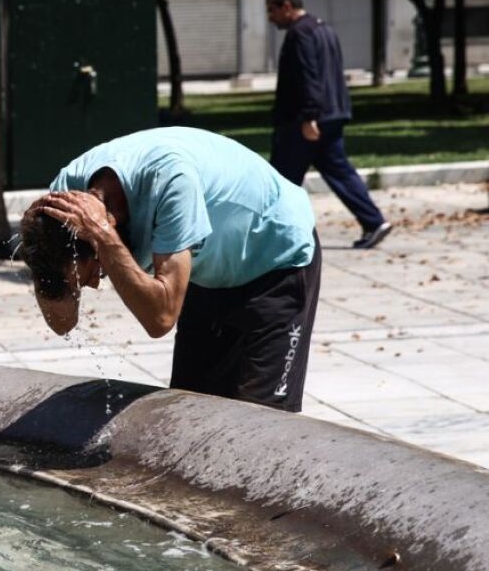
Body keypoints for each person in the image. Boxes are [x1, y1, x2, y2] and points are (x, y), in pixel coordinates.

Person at [19, 127, 321, 412]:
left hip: (277, 260)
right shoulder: (63, 201)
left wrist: (104, 237)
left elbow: (160, 318)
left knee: (260, 424)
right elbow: (63, 324)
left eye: (94, 272)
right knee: (191, 414)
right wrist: (42, 265)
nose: (97, 285)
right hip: (209, 273)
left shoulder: (170, 181)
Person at [266, 0, 392, 249]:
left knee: (280, 180)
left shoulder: (299, 33)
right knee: (339, 171)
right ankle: (373, 222)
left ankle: (272, 237)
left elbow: (309, 75)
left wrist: (309, 116)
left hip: (307, 121)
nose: (270, 17)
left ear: (287, 6)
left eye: (272, 10)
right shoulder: (324, 28)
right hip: (333, 113)